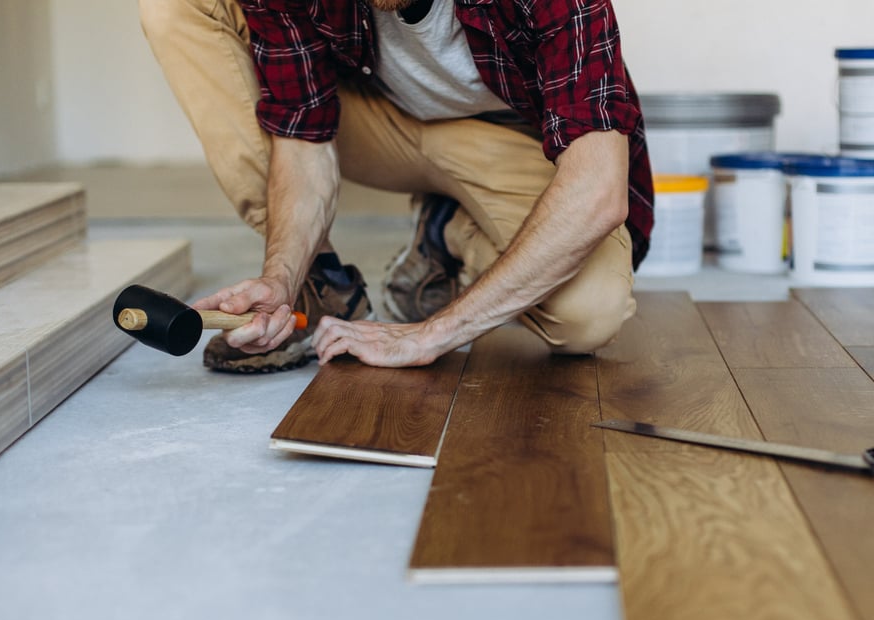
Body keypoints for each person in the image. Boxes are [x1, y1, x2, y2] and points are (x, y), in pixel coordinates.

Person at [139, 0, 653, 372]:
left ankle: (447, 230)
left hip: (514, 140)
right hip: (376, 125)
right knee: (177, 5)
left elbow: (596, 190)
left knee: (588, 315)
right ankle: (321, 288)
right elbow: (302, 142)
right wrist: (282, 277)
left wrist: (433, 335)